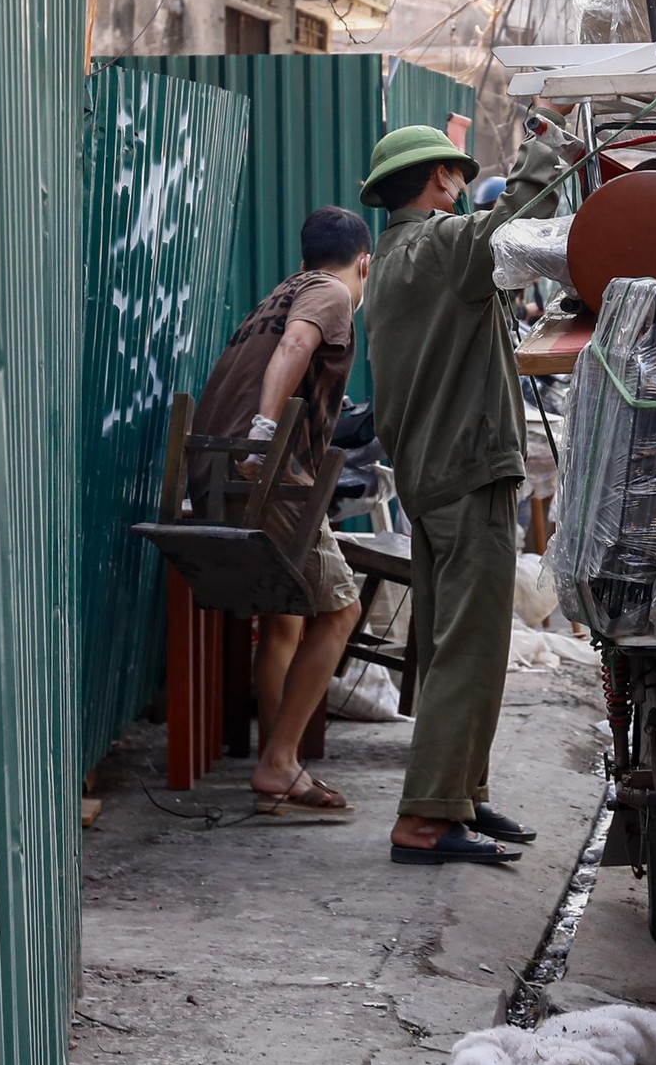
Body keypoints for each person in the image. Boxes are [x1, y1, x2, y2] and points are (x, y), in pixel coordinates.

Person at [361, 107, 569, 864]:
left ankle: (458, 796)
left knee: (460, 640)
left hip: (433, 471)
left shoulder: (392, 257)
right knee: (467, 648)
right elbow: (506, 228)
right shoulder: (440, 246)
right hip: (463, 468)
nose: (462, 181)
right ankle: (425, 819)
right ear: (442, 180)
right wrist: (549, 153)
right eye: (458, 170)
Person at [190, 207, 373, 815]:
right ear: (364, 264)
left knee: (285, 618)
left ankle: (280, 759)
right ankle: (278, 763)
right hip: (266, 471)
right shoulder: (329, 293)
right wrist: (267, 433)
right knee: (342, 611)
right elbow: (297, 345)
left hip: (214, 467)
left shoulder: (283, 290)